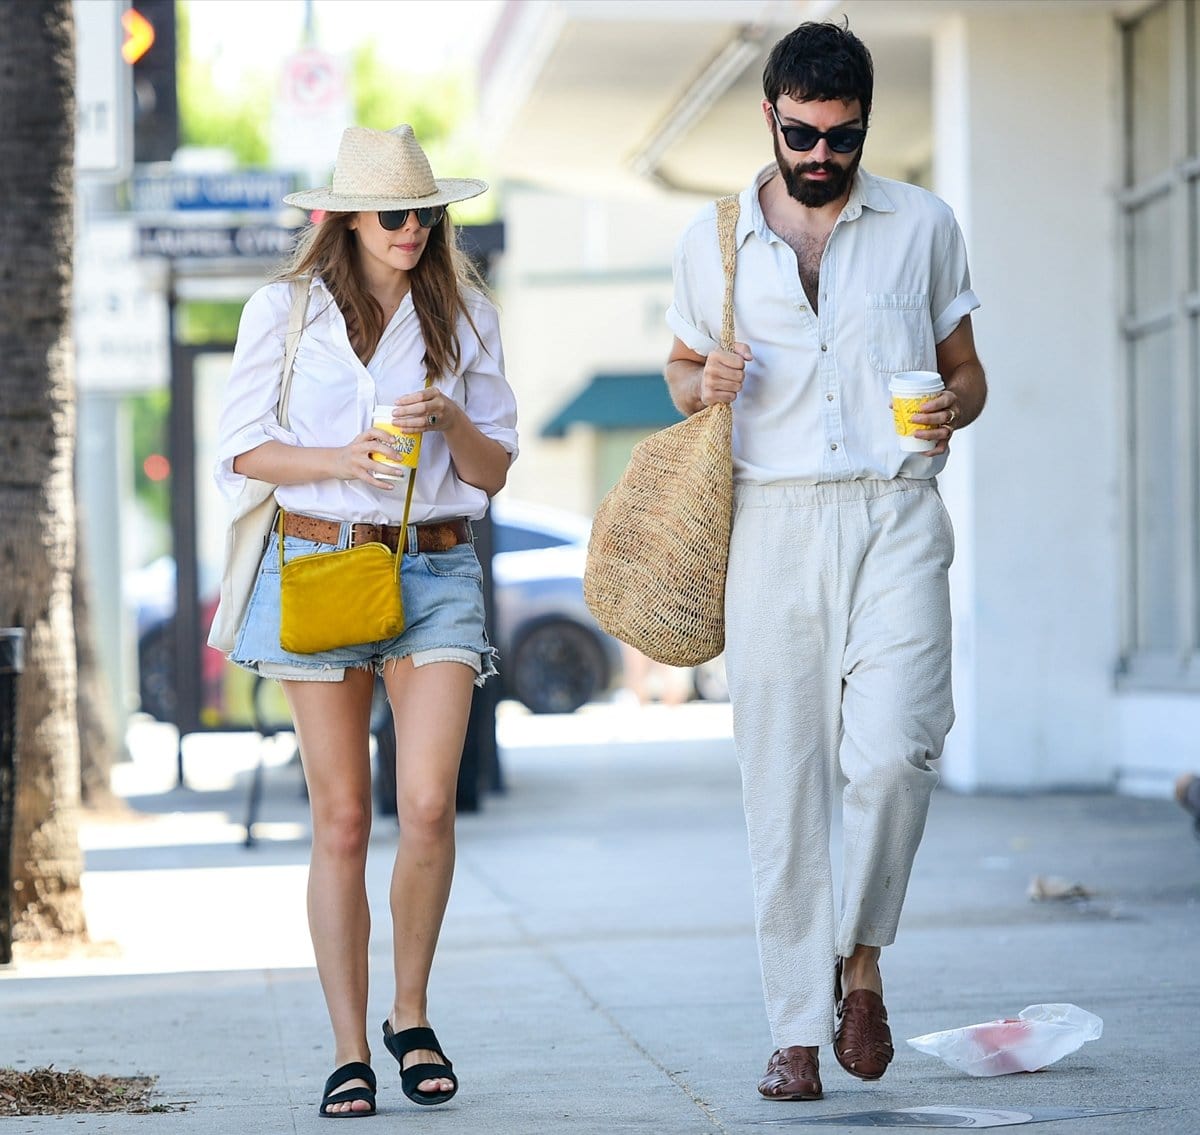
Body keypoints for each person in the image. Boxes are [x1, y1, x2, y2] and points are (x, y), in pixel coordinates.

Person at [664, 22, 986, 1101]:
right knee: (783, 781)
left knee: (897, 752)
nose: (818, 155)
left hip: (895, 513)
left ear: (863, 127)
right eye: (800, 133)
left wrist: (953, 409)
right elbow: (675, 369)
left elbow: (967, 371)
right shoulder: (711, 240)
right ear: (769, 115)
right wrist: (704, 382)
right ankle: (795, 1027)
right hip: (772, 518)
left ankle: (859, 958)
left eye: (839, 138)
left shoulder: (923, 225)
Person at [213, 124, 518, 1117]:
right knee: (341, 819)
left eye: (428, 215)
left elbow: (493, 468)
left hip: (433, 565)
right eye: (395, 215)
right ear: (347, 216)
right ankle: (349, 1049)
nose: (414, 232)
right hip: (318, 562)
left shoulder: (465, 312)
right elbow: (244, 451)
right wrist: (343, 457)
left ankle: (412, 1012)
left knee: (426, 804)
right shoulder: (285, 310)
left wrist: (450, 421)